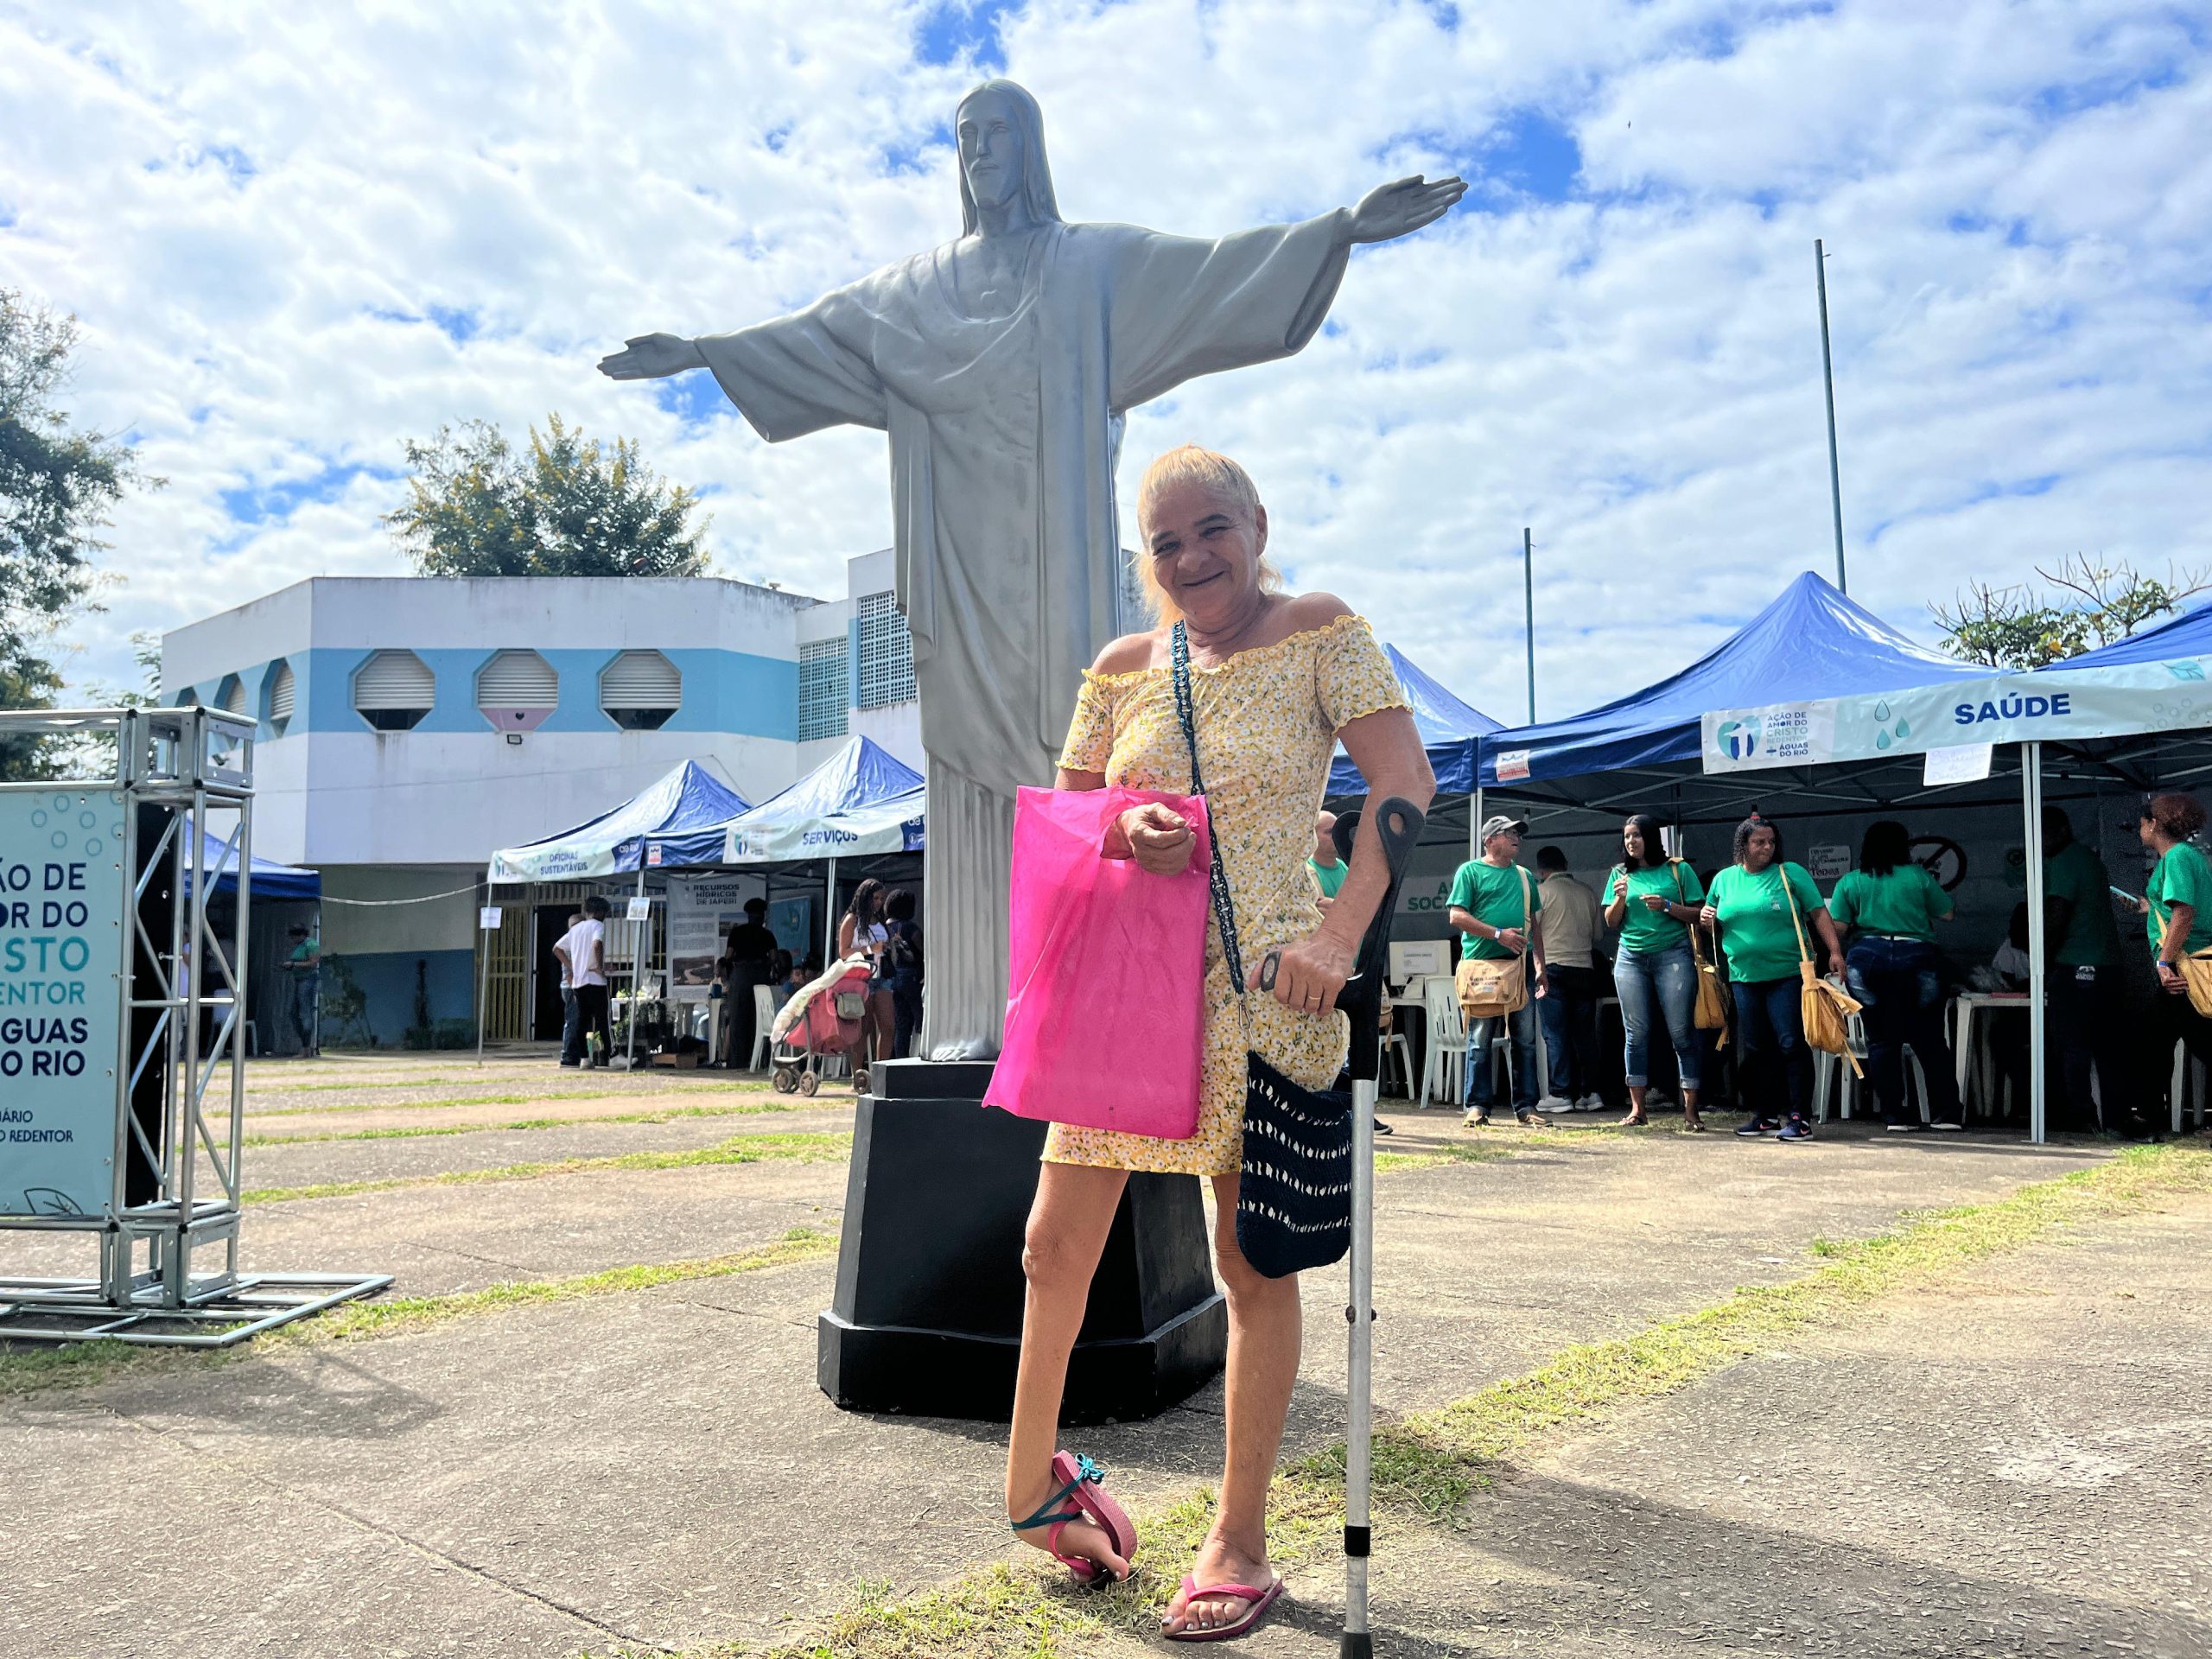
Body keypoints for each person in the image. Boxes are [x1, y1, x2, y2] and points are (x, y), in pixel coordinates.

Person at [1011, 444, 1431, 1640]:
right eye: (1167, 543)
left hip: (1265, 989)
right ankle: (1032, 1483)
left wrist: (1340, 938)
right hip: (1124, 989)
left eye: (1213, 529)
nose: (1194, 558)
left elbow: (1402, 779)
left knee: (1250, 1264)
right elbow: (1070, 815)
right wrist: (1124, 824)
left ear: (1257, 523)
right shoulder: (1119, 666)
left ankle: (1239, 1540)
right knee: (1051, 1250)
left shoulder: (1320, 626)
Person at [1701, 815, 1842, 1142]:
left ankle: (1799, 1118)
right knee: (1755, 1048)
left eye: (1771, 842)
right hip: (1743, 976)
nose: (1767, 847)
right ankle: (1764, 1114)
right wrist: (1706, 918)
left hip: (1788, 974)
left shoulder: (1789, 873)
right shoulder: (1724, 880)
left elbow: (1818, 912)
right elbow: (1711, 918)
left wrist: (1835, 951)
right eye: (1759, 842)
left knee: (1791, 1043)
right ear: (1743, 846)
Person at [1827, 820, 1966, 1134]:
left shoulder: (1850, 882)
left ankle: (1894, 1115)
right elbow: (1948, 913)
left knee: (1881, 1040)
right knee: (1929, 1040)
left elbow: (1838, 929)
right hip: (1918, 959)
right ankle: (1948, 1114)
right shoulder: (1918, 876)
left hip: (1867, 962)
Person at [1603, 814, 1705, 1130]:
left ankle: (1690, 1112)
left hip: (1672, 955)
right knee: (1635, 1034)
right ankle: (1637, 1110)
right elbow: (1610, 922)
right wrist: (1620, 899)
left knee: (1680, 1032)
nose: (1630, 842)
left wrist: (1667, 906)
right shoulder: (1619, 874)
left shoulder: (1678, 869)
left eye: (1636, 835)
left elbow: (1700, 914)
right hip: (1630, 956)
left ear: (1650, 838)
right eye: (1626, 837)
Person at [1449, 816, 1548, 1128]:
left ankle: (1526, 1106)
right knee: (1480, 1039)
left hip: (1520, 967)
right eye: (1509, 833)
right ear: (1489, 840)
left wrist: (1541, 965)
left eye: (1518, 833)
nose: (1517, 837)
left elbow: (1536, 925)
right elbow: (1456, 916)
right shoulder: (1470, 871)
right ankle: (1477, 1106)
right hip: (1483, 968)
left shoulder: (1524, 876)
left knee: (1526, 1039)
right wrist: (1498, 935)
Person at [2038, 807, 2131, 1133]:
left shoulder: (2065, 861)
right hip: (2109, 966)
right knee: (2109, 1047)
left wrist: (2042, 962)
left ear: (2062, 830)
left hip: (2077, 963)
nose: (2040, 841)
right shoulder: (2089, 859)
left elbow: (2057, 913)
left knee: (2072, 1044)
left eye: (2044, 833)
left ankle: (2082, 1116)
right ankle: (2116, 1117)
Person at [2135, 791, 2210, 1138]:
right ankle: (2151, 1120)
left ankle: (2151, 1122)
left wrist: (2164, 962)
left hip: (2183, 968)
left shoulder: (2177, 857)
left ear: (2153, 825)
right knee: (2164, 1041)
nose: (2140, 827)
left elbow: (2183, 913)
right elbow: (2175, 910)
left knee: (2154, 1043)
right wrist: (2149, 909)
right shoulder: (2188, 857)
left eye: (2142, 821)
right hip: (2192, 963)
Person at [1533, 846, 1605, 1111]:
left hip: (1552, 968)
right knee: (1585, 1034)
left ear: (1541, 870)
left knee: (1555, 1034)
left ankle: (1561, 1093)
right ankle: (1591, 1092)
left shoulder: (1540, 893)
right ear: (1566, 863)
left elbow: (1530, 932)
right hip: (1585, 967)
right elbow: (1598, 935)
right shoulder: (1587, 892)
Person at [837, 879, 897, 1077]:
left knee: (888, 1026)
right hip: (860, 977)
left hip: (882, 975)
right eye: (876, 898)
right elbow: (844, 952)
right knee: (863, 1029)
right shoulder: (852, 920)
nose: (879, 902)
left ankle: (881, 1074)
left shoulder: (879, 920)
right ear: (865, 898)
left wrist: (890, 946)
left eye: (882, 898)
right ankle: (858, 1074)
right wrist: (871, 948)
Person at [722, 899, 779, 1070]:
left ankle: (737, 1060)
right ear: (762, 917)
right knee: (761, 1018)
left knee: (738, 1017)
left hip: (740, 976)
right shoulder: (767, 935)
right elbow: (774, 958)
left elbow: (728, 955)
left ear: (748, 916)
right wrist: (765, 965)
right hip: (760, 975)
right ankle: (760, 1060)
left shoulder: (737, 932)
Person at [556, 897, 612, 1068]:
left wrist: (572, 965)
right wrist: (600, 966)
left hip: (579, 982)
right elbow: (597, 945)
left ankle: (584, 1059)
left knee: (582, 1020)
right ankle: (611, 1054)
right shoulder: (597, 925)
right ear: (600, 912)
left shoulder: (576, 929)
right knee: (603, 1019)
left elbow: (556, 949)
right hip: (595, 979)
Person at [884, 887, 925, 1059]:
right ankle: (923, 1054)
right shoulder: (911, 928)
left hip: (893, 980)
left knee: (901, 1024)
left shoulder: (884, 928)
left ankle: (901, 1060)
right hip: (911, 978)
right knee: (920, 1018)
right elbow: (923, 950)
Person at [284, 923, 321, 1056]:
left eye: (294, 937)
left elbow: (313, 962)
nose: (292, 940)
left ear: (300, 935)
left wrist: (294, 964)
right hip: (298, 980)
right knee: (293, 1013)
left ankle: (307, 1046)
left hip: (308, 980)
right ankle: (305, 1044)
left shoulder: (311, 944)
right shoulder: (300, 946)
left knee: (305, 1013)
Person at [556, 910, 583, 1063]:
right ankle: (567, 1053)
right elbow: (568, 972)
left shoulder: (576, 944)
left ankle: (573, 1053)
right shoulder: (568, 944)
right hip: (570, 987)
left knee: (576, 1021)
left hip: (573, 986)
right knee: (572, 1021)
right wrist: (575, 989)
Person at [1307, 809, 1346, 906]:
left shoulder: (1348, 869)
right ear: (1313, 836)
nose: (1336, 835)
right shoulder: (1305, 873)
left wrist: (1335, 906)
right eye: (1329, 832)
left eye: (1338, 831)